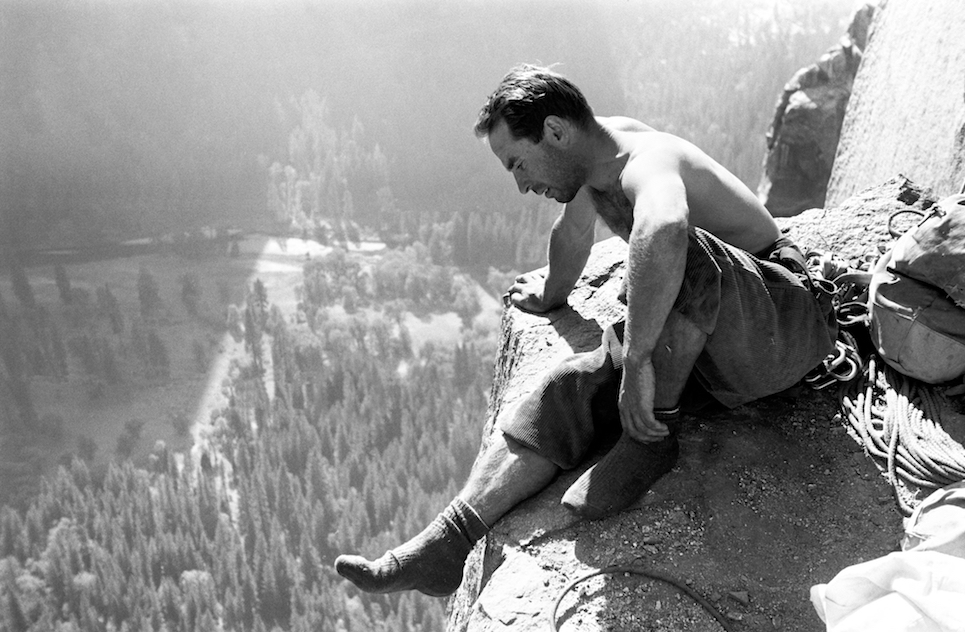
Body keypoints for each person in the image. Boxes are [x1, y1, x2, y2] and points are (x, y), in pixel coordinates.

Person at [334, 64, 837, 597]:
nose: (523, 183)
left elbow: (665, 229)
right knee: (568, 387)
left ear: (555, 131)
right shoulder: (588, 166)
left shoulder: (647, 160)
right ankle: (443, 544)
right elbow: (573, 235)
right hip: (706, 339)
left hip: (780, 322)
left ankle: (650, 437)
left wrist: (639, 360)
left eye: (519, 163)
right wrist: (552, 295)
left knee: (676, 248)